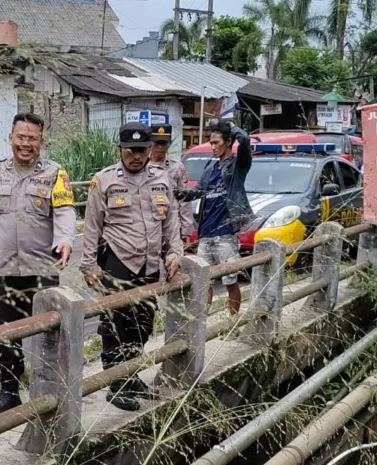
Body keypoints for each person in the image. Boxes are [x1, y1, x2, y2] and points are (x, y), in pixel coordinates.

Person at [0, 113, 76, 415]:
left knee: (49, 332)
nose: (26, 144)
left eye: (32, 138)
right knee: (4, 331)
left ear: (41, 142)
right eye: (21, 137)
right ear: (11, 138)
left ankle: (50, 389)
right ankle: (9, 389)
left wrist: (66, 239)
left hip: (41, 269)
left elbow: (65, 210)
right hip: (2, 270)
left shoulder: (56, 173)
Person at [81, 122, 183, 411]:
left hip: (150, 265)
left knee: (144, 323)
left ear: (150, 150)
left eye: (141, 150)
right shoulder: (104, 181)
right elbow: (92, 226)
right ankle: (116, 383)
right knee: (116, 325)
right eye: (130, 151)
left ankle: (132, 374)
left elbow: (171, 223)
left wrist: (174, 253)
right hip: (118, 260)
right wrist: (88, 265)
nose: (136, 156)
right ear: (120, 150)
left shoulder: (162, 179)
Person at [179, 120, 252, 315]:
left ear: (228, 142)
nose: (212, 147)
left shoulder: (238, 164)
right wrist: (179, 194)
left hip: (226, 233)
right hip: (206, 233)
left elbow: (244, 140)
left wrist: (231, 126)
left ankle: (232, 321)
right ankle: (202, 321)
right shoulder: (210, 167)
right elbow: (197, 191)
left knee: (230, 281)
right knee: (204, 282)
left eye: (216, 142)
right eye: (210, 143)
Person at [148, 125, 193, 239]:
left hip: (171, 225)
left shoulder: (177, 167)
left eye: (163, 144)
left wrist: (186, 230)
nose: (160, 147)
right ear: (150, 143)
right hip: (148, 224)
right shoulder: (141, 166)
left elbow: (184, 199)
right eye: (157, 143)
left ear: (169, 144)